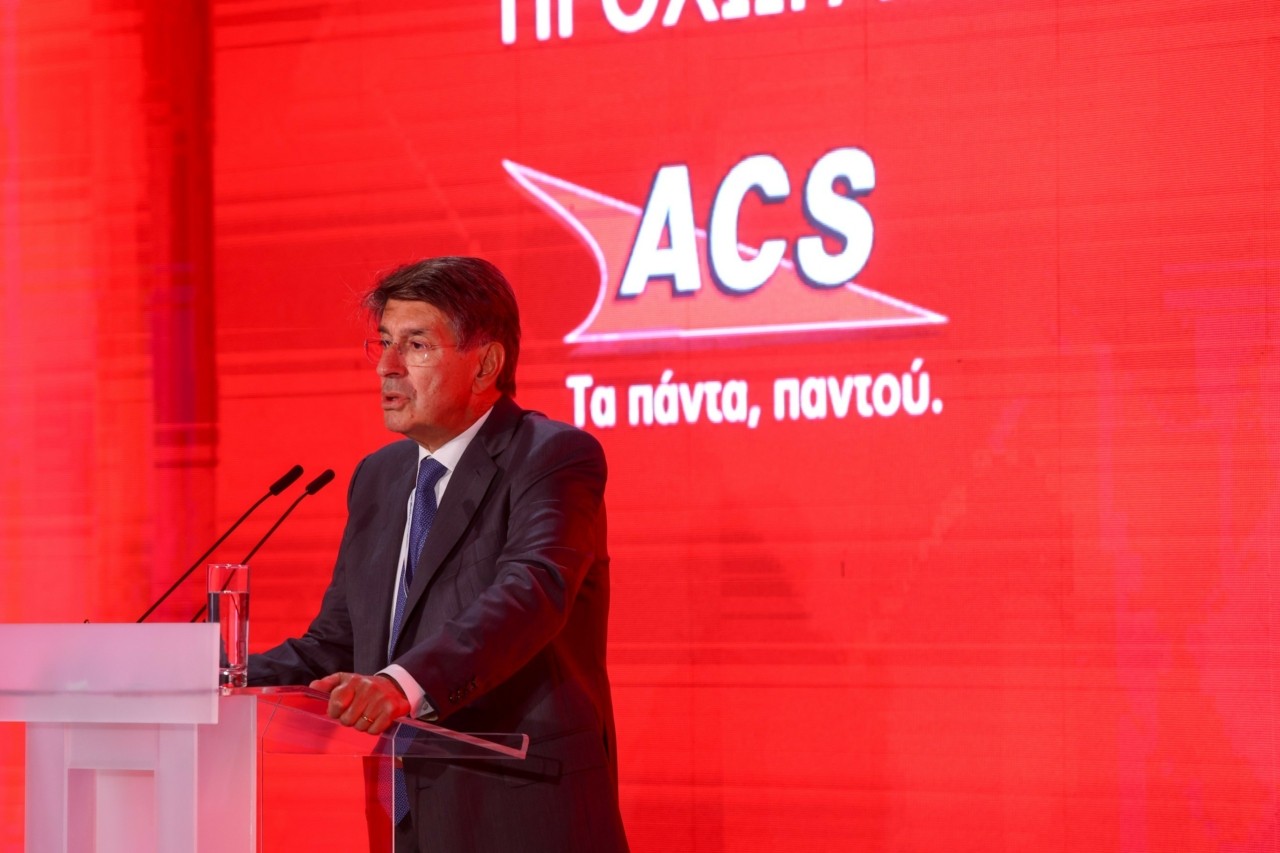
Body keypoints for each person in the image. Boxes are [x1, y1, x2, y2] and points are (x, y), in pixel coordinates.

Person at [248, 256, 629, 853]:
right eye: (383, 344)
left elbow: (531, 593)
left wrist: (401, 685)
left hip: (522, 813)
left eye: (416, 345)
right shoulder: (378, 477)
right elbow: (338, 643)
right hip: (406, 817)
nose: (388, 367)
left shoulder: (551, 457)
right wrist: (209, 674)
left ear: (486, 364)